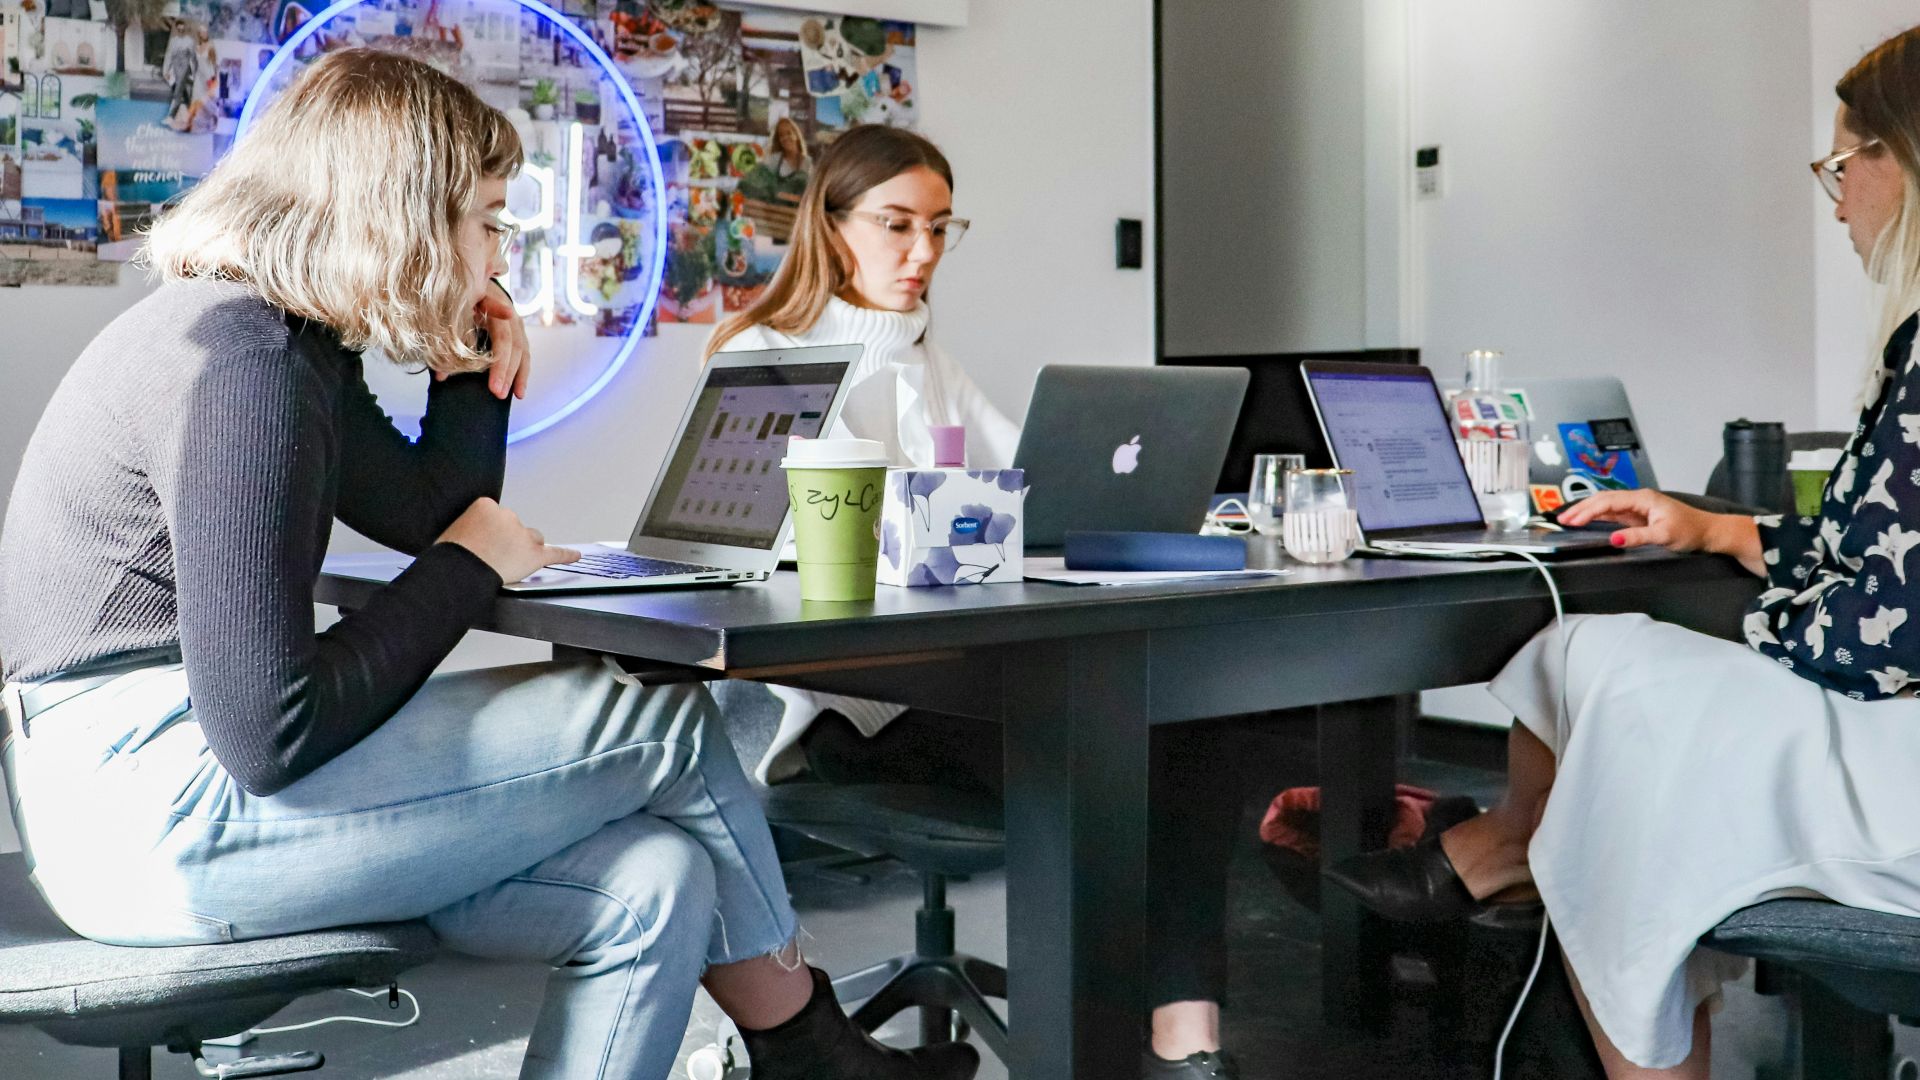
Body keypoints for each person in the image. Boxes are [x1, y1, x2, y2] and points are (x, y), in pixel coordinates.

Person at [0, 49, 977, 1080]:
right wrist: (471, 565)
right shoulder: (251, 368)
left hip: (151, 796)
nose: (499, 251)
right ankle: (810, 1051)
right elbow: (269, 731)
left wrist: (473, 375)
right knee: (671, 722)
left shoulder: (280, 341)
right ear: (411, 217)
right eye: (490, 222)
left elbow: (427, 511)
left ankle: (805, 1053)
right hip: (149, 814)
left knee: (657, 875)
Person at [1324, 24, 1920, 1078]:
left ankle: (1494, 860)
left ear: (1903, 159)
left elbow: (1872, 640)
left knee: (1612, 681)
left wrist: (1735, 621)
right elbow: (1878, 558)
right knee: (1584, 658)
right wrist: (1718, 531)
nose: (1831, 197)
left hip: (1897, 758)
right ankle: (1502, 856)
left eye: (1840, 165)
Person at [707, 124, 1248, 1080]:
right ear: (832, 228)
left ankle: (1186, 1031)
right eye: (897, 225)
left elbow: (1029, 481)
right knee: (1139, 745)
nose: (923, 253)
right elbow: (772, 555)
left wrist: (1166, 502)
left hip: (962, 682)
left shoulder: (926, 357)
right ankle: (1149, 1025)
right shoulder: (765, 352)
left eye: (942, 229)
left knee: (1190, 725)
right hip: (849, 706)